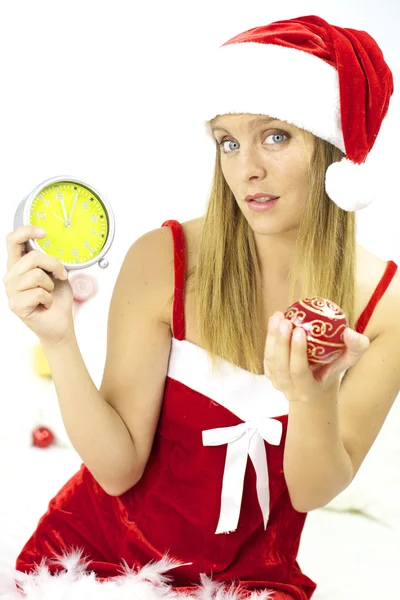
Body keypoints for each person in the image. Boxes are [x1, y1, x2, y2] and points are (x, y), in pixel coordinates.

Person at [1, 14, 400, 600]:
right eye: (229, 141)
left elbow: (314, 491)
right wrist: (58, 339)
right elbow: (118, 468)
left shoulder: (384, 307)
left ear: (334, 150)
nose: (247, 168)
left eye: (276, 135)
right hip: (103, 560)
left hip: (252, 580)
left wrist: (311, 395)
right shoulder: (163, 259)